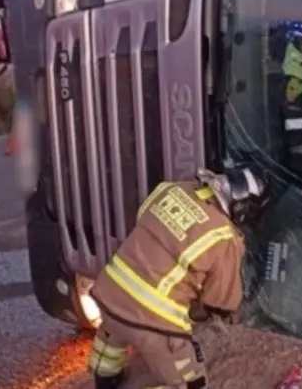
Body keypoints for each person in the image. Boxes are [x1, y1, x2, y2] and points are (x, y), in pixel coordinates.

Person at [86, 165, 270, 389]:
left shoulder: (172, 189)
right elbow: (220, 301)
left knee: (111, 335)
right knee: (191, 382)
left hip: (110, 294)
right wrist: (221, 316)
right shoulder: (225, 238)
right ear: (244, 207)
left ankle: (104, 378)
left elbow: (143, 218)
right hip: (154, 322)